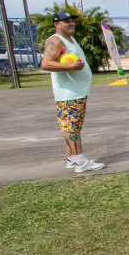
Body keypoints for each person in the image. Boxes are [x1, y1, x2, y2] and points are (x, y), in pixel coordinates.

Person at [39, 10, 105, 173]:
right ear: (56, 25)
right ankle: (81, 162)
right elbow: (46, 64)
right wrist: (71, 67)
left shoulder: (69, 40)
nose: (71, 23)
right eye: (65, 21)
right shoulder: (56, 41)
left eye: (72, 20)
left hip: (76, 92)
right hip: (69, 94)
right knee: (72, 128)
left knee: (69, 126)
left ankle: (71, 159)